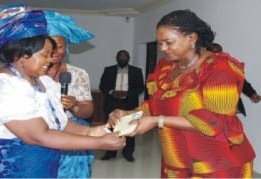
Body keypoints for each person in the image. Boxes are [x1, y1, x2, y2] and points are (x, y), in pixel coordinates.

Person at [0, 4, 125, 178]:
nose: (50, 59)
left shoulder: (44, 82)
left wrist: (94, 131)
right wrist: (98, 143)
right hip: (5, 170)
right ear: (22, 55)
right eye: (45, 54)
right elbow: (39, 136)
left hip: (38, 169)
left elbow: (58, 122)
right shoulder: (3, 87)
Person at [108, 10, 256, 178]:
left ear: (191, 38)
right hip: (177, 160)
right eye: (160, 43)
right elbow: (153, 106)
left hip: (217, 164)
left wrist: (158, 121)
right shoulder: (165, 68)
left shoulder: (220, 69)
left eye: (169, 42)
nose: (163, 48)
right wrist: (128, 114)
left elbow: (217, 122)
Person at [45, 10, 95, 178]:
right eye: (49, 46)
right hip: (39, 135)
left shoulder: (78, 74)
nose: (54, 52)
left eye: (59, 46)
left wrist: (74, 105)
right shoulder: (31, 73)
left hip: (72, 135)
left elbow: (88, 111)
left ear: (66, 47)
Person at [99, 50, 145, 162]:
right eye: (120, 56)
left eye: (125, 56)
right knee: (110, 128)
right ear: (116, 57)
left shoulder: (136, 71)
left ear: (129, 58)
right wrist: (111, 92)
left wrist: (127, 94)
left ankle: (128, 152)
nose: (122, 58)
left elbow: (140, 87)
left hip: (129, 103)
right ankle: (110, 152)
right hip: (112, 103)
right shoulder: (108, 70)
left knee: (129, 128)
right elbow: (102, 86)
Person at [208, 43, 261, 116]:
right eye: (214, 53)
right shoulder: (201, 68)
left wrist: (252, 94)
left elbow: (241, 82)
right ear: (207, 54)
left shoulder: (229, 66)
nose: (217, 56)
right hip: (209, 107)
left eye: (219, 53)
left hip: (229, 106)